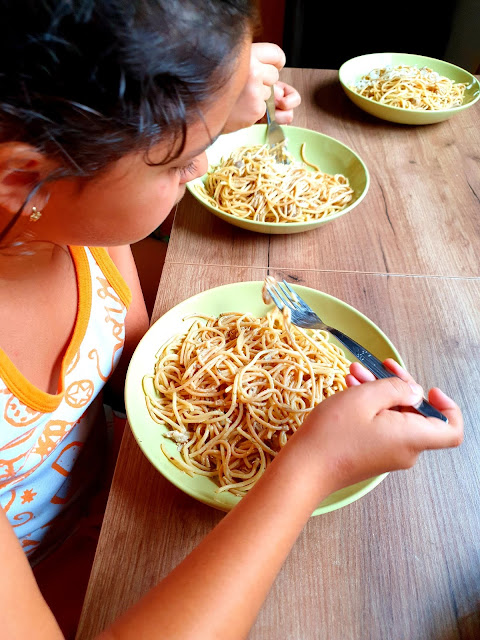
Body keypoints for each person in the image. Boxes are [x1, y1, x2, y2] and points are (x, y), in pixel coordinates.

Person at [0, 1, 463, 639]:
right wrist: (311, 468)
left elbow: (133, 363)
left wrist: (211, 99)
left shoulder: (64, 214)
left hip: (118, 508)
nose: (208, 168)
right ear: (27, 175)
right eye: (185, 162)